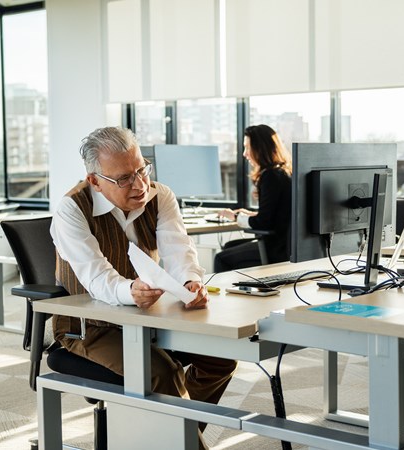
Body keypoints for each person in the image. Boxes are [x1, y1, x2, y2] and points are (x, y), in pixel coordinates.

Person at [50, 126, 237, 447]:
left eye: (141, 170)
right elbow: (97, 278)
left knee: (220, 358)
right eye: (123, 178)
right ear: (94, 180)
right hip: (89, 327)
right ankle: (176, 437)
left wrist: (190, 281)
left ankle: (166, 437)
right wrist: (129, 291)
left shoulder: (159, 195)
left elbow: (179, 251)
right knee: (161, 373)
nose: (139, 184)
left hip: (150, 318)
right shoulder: (71, 209)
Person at [213, 124, 292, 272]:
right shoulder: (283, 172)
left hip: (276, 248)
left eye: (247, 147)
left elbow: (263, 223)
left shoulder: (270, 176)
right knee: (230, 246)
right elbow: (276, 215)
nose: (244, 154)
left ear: (260, 148)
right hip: (283, 243)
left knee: (221, 258)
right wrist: (248, 214)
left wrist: (236, 216)